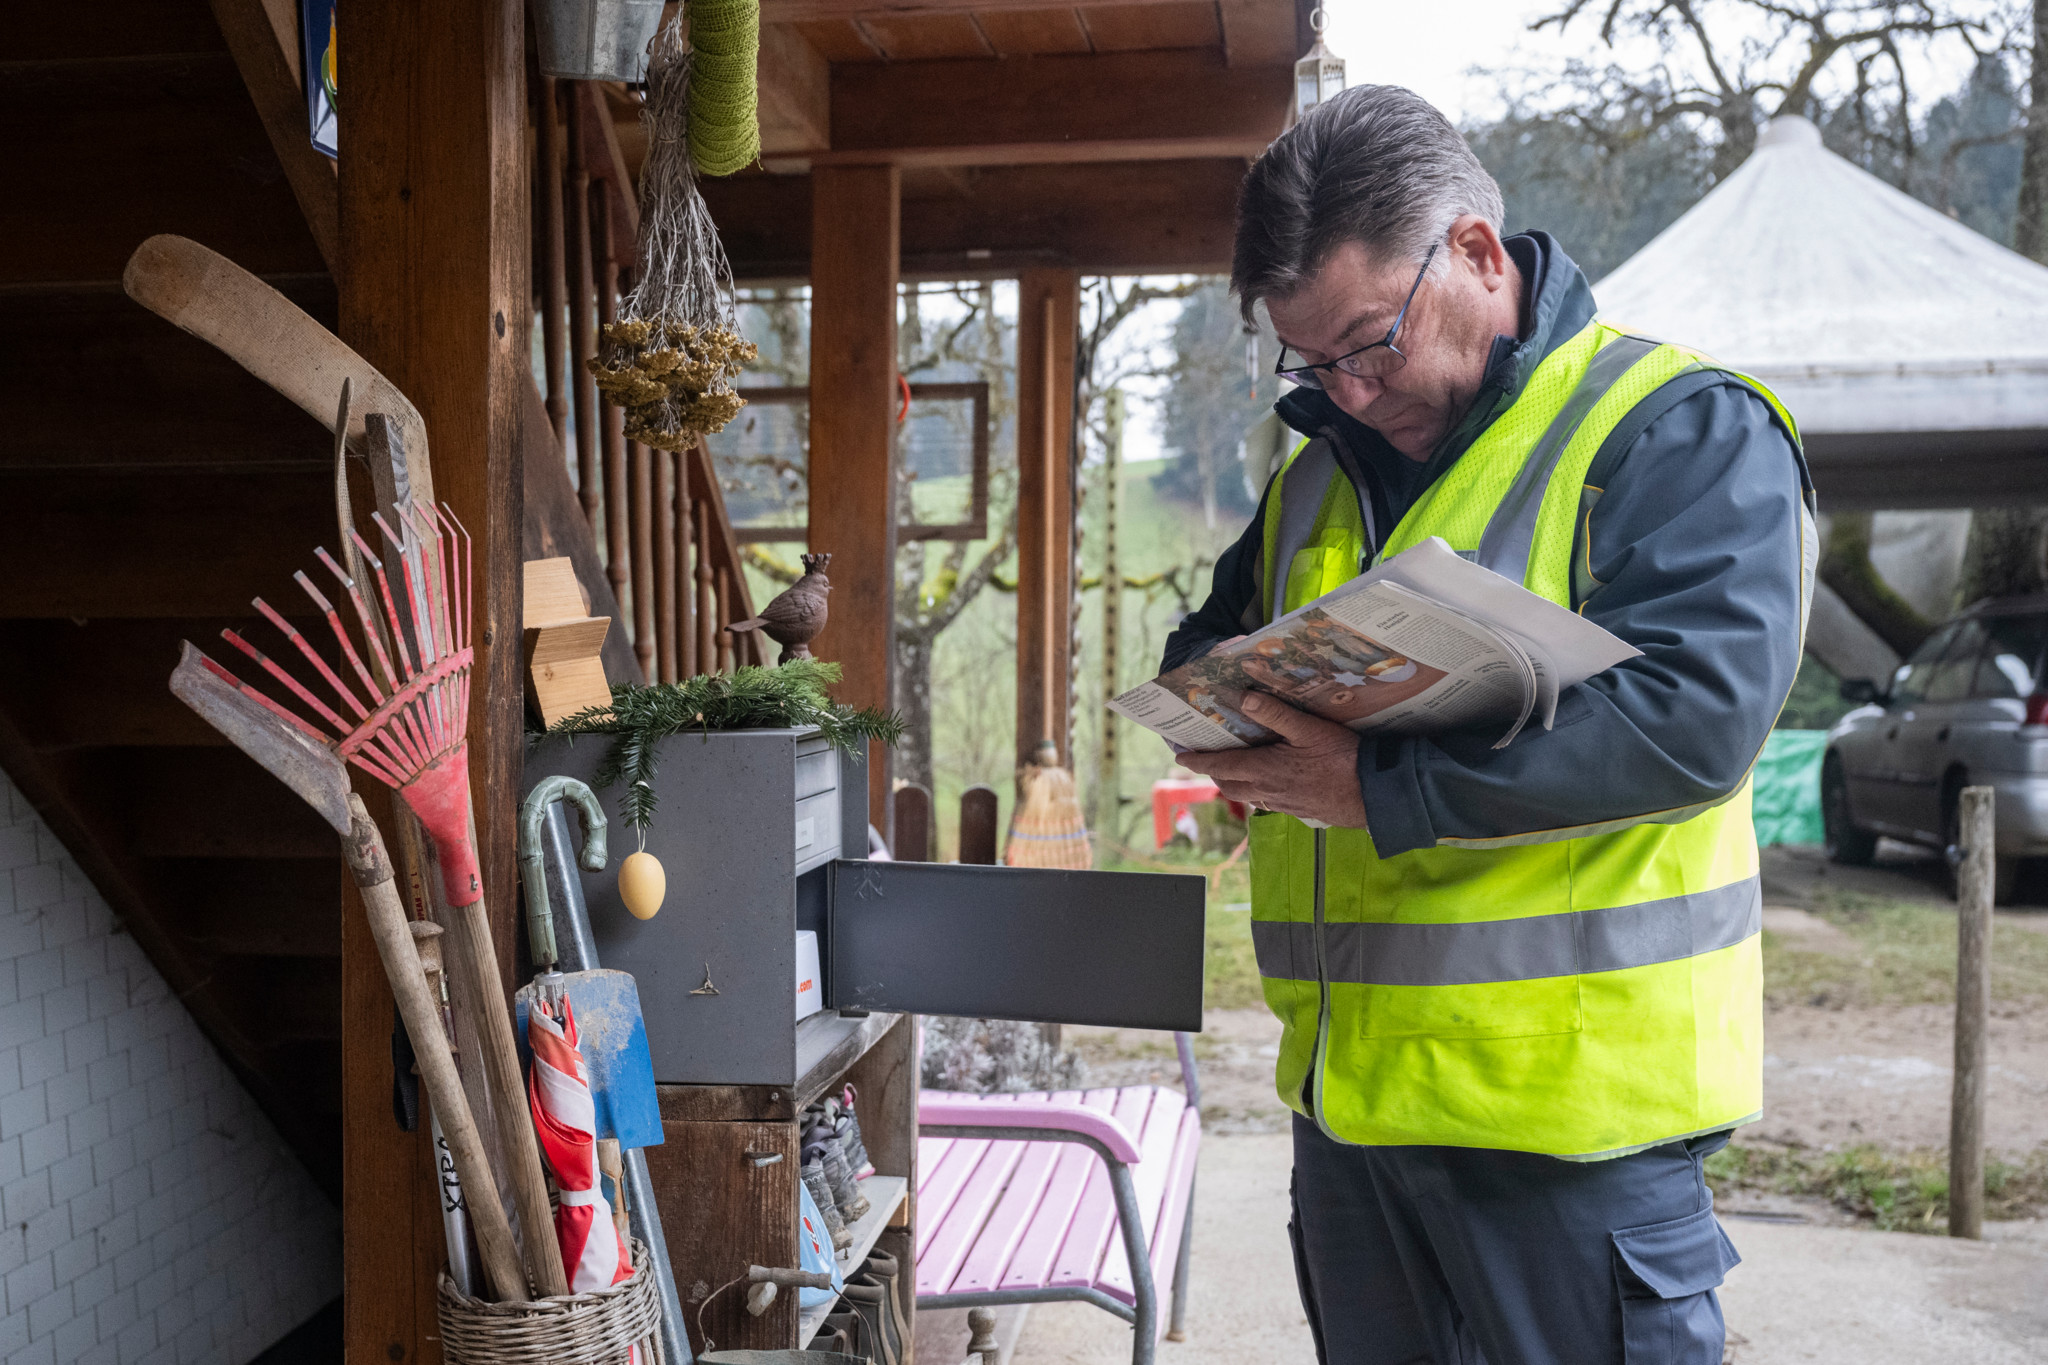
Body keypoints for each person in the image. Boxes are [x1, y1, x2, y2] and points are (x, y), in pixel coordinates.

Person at [1167, 85, 1815, 1365]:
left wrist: (1375, 788)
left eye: (1368, 343)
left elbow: (1695, 722)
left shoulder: (1671, 428)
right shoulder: (1314, 473)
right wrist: (1220, 709)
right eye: (1310, 363)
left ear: (1472, 250)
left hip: (1570, 1132)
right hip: (1352, 1118)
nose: (1346, 392)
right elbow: (1212, 637)